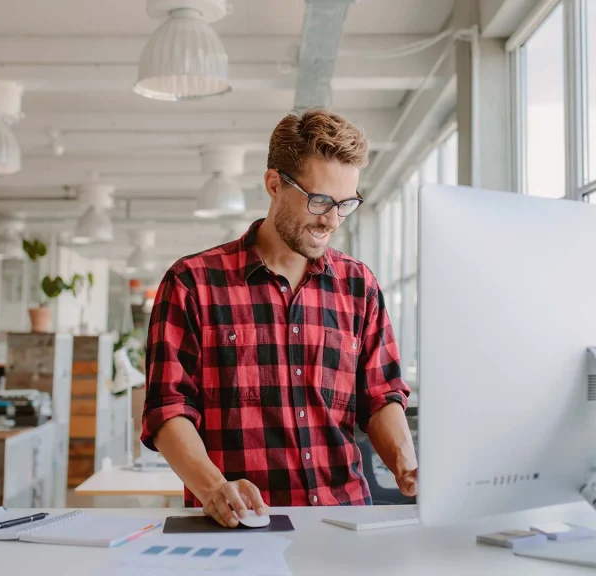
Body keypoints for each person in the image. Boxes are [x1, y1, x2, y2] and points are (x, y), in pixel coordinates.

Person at [141, 108, 417, 528]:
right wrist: (214, 487)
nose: (332, 219)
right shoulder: (192, 283)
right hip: (241, 526)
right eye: (320, 200)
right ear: (274, 184)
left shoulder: (359, 286)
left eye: (346, 204)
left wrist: (407, 466)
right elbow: (168, 409)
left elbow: (381, 396)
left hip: (344, 523)